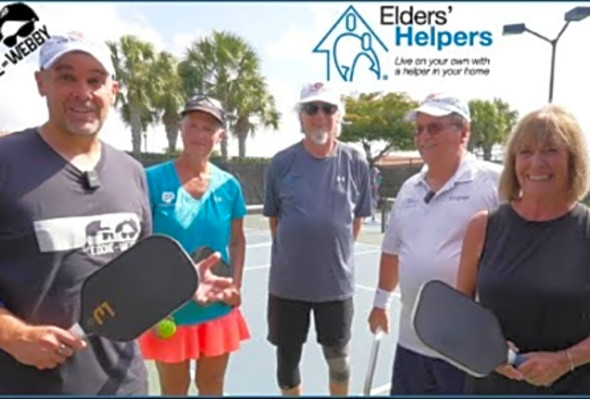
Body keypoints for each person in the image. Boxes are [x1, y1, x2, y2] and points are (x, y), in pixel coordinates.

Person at [0, 32, 233, 395]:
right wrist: (12, 334)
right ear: (41, 82)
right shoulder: (6, 161)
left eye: (95, 80)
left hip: (124, 384)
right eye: (66, 76)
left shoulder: (131, 173)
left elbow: (135, 278)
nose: (83, 92)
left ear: (114, 90)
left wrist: (179, 290)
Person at [367, 93, 503, 394]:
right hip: (410, 344)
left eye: (435, 128)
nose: (424, 136)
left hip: (465, 351)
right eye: (419, 129)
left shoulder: (496, 182)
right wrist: (380, 302)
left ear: (464, 133)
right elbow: (393, 251)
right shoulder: (408, 188)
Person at [456, 104, 590, 394]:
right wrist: (487, 350)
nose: (536, 163)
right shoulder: (483, 227)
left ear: (574, 161)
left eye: (551, 150)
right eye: (525, 151)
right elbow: (460, 313)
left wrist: (564, 361)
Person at [263, 81, 372, 396]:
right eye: (311, 109)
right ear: (301, 117)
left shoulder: (356, 161)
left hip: (335, 286)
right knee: (287, 363)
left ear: (339, 116)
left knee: (339, 362)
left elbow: (356, 219)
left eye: (328, 108)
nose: (319, 115)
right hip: (287, 287)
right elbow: (275, 220)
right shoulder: (281, 163)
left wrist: (332, 252)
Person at [138, 95, 250, 396]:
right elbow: (140, 245)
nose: (200, 135)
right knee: (174, 389)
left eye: (208, 129)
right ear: (181, 129)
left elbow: (238, 241)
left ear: (220, 136)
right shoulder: (151, 180)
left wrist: (235, 285)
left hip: (216, 308)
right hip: (169, 311)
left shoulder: (229, 186)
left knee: (212, 387)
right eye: (194, 126)